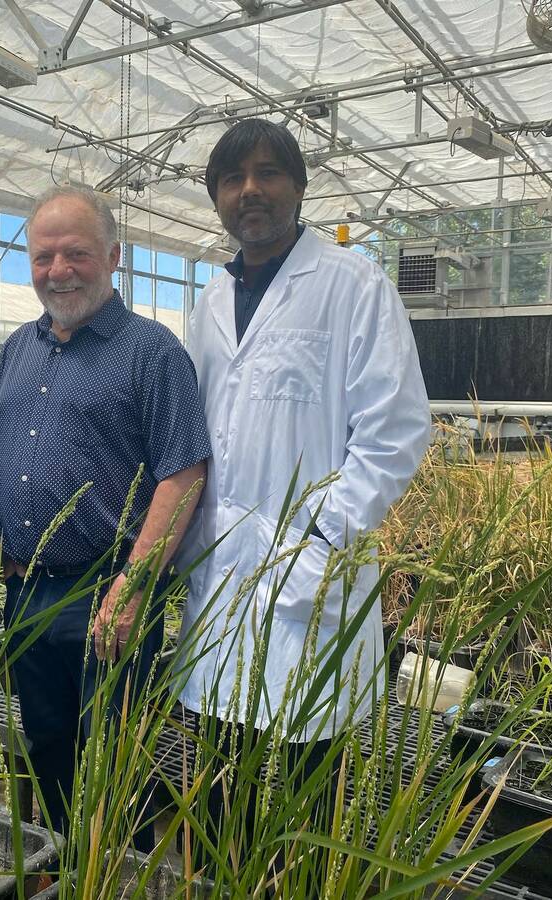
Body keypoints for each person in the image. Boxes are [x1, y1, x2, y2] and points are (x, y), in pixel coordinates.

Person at [175, 119, 431, 843]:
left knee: (309, 800)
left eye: (267, 173)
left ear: (299, 186)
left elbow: (396, 430)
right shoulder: (211, 299)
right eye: (232, 179)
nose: (250, 190)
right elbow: (197, 433)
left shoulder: (353, 283)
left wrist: (320, 540)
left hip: (308, 583)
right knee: (223, 789)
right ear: (217, 199)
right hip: (220, 583)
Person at [0, 185, 211, 845]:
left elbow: (184, 472)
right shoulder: (17, 351)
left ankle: (117, 872)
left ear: (114, 257)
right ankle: (58, 861)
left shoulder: (152, 353)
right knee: (48, 742)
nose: (58, 271)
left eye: (75, 253)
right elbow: (5, 462)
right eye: (42, 257)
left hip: (105, 592)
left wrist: (134, 584)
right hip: (24, 589)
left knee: (115, 752)